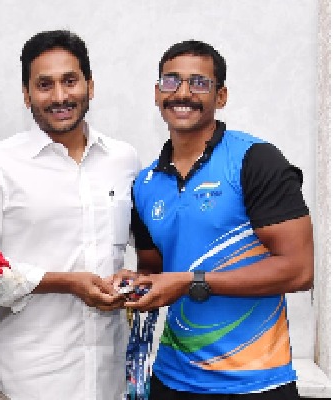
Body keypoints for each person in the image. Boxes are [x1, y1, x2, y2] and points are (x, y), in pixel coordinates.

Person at [120, 40, 313, 399]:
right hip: (170, 379)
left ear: (220, 96)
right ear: (157, 93)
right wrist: (132, 283)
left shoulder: (255, 160)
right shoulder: (146, 184)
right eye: (171, 81)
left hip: (255, 383)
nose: (182, 93)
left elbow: (299, 270)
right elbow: (155, 270)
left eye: (199, 83)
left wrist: (193, 281)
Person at [0, 30, 141, 400]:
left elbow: (146, 249)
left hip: (110, 380)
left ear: (90, 86)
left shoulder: (124, 160)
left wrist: (135, 279)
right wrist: (64, 282)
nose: (59, 97)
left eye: (70, 81)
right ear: (26, 95)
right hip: (31, 382)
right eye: (45, 85)